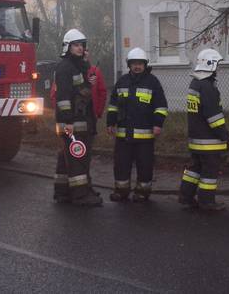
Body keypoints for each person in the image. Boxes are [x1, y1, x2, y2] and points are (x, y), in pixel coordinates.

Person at [106, 47, 168, 202]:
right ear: (129, 65)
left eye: (140, 63)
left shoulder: (153, 82)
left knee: (144, 164)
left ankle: (142, 192)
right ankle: (121, 191)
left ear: (145, 64)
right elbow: (113, 105)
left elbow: (161, 106)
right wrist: (110, 122)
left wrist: (158, 124)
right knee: (121, 164)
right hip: (123, 135)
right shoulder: (122, 82)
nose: (137, 66)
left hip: (145, 135)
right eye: (134, 63)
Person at [53, 28, 102, 206]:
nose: (80, 48)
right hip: (73, 122)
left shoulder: (75, 66)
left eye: (82, 45)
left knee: (66, 158)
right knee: (78, 159)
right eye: (76, 45)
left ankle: (63, 192)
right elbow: (64, 98)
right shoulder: (65, 67)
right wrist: (68, 122)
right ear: (68, 47)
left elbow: (80, 91)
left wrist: (87, 71)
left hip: (77, 121)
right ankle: (81, 195)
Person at [178, 48, 229, 212]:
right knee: (209, 173)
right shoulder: (208, 87)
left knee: (194, 170)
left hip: (195, 139)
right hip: (209, 142)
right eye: (217, 65)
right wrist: (224, 134)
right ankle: (207, 202)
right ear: (211, 65)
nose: (218, 69)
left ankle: (186, 197)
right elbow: (213, 115)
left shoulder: (195, 83)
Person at [84, 47, 108, 129]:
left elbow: (102, 93)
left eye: (86, 50)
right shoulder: (68, 71)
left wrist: (98, 112)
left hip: (91, 116)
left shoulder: (96, 71)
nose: (84, 52)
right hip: (73, 118)